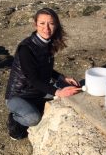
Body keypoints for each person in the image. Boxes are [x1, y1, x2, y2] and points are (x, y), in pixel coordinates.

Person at [5, 8, 81, 140]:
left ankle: (38, 103)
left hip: (38, 92)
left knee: (70, 90)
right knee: (33, 118)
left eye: (51, 23)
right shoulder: (26, 48)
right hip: (19, 95)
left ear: (56, 25)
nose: (47, 28)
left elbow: (45, 69)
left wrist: (63, 78)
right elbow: (33, 78)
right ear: (35, 25)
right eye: (42, 23)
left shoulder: (48, 43)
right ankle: (14, 118)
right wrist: (58, 92)